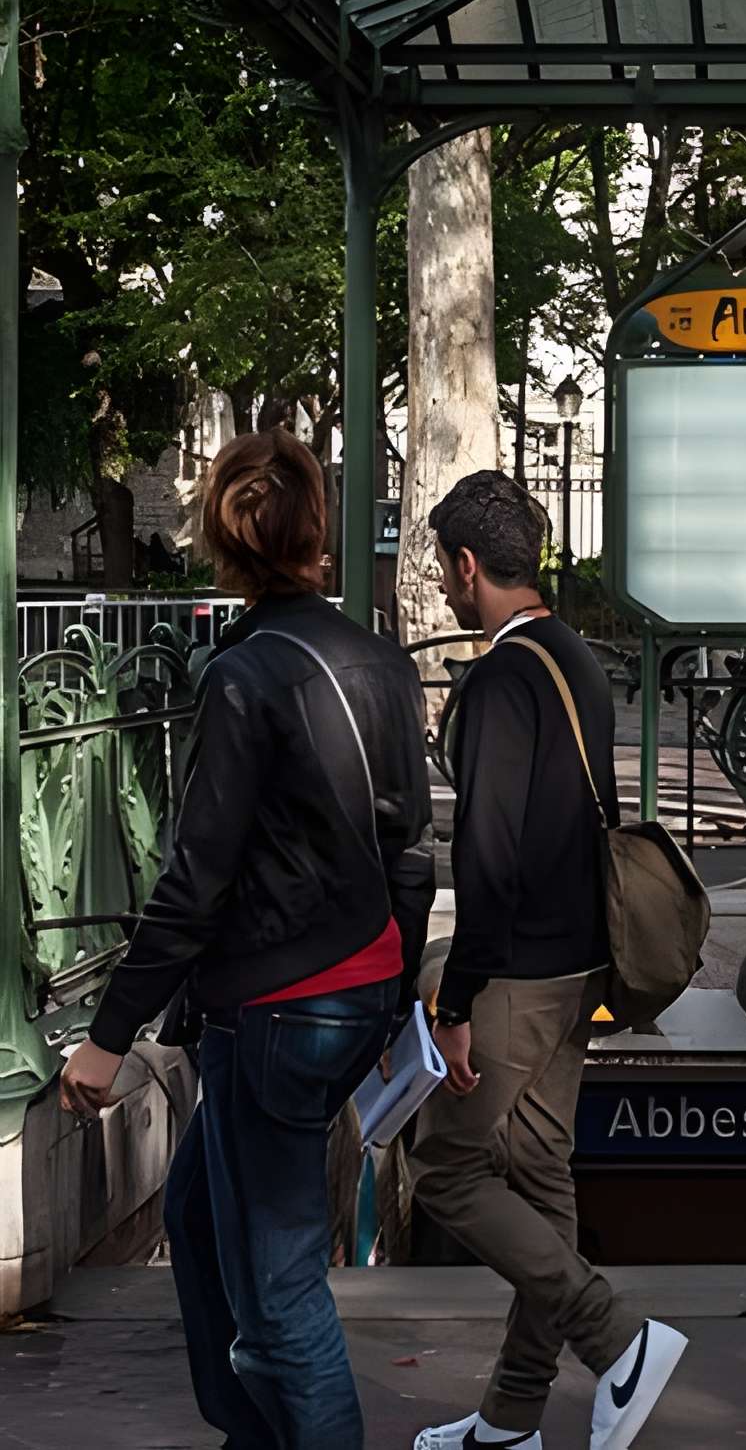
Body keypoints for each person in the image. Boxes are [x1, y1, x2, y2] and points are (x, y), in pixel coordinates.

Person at [60, 428, 435, 1450]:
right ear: (319, 533)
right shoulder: (381, 660)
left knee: (279, 1294)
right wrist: (396, 990)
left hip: (275, 1007)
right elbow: (412, 848)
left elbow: (195, 877)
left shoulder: (244, 677)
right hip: (356, 991)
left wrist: (107, 1031)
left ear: (222, 546)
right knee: (191, 1216)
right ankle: (248, 1432)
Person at [410, 471, 686, 1450]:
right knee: (536, 1175)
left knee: (442, 1171)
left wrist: (457, 1000)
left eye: (444, 568)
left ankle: (617, 1336)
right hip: (580, 965)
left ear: (469, 563)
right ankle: (512, 1417)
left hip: (517, 974)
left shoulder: (497, 678)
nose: (443, 587)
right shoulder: (572, 656)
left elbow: (486, 854)